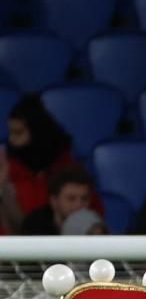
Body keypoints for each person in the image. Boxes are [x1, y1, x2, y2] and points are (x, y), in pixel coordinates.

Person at [1, 95, 87, 235]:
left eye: (18, 133)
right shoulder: (6, 168)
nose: (11, 139)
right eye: (10, 133)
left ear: (37, 132)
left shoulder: (67, 168)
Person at [19, 167, 97, 237]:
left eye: (84, 198)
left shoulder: (96, 225)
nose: (79, 205)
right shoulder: (34, 226)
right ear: (54, 201)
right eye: (71, 198)